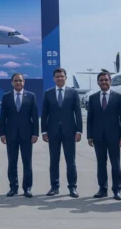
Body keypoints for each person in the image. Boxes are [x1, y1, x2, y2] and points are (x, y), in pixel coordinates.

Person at [41, 67, 82, 197]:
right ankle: (54, 186)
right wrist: (44, 131)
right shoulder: (48, 93)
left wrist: (79, 130)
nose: (59, 78)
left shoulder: (73, 93)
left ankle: (72, 187)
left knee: (71, 161)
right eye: (57, 76)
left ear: (65, 78)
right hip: (53, 132)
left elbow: (78, 113)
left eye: (62, 76)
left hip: (69, 131)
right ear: (54, 78)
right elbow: (44, 114)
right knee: (54, 160)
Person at [86, 71, 121, 200]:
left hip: (114, 136)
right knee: (100, 164)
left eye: (106, 80)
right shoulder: (93, 98)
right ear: (98, 82)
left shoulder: (118, 97)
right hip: (98, 137)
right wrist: (90, 136)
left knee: (115, 164)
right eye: (101, 80)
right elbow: (90, 118)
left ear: (110, 81)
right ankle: (102, 189)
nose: (104, 82)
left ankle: (117, 190)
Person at [0, 73, 39, 198]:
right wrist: (2, 134)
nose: (18, 83)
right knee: (12, 162)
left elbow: (35, 116)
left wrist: (35, 133)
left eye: (20, 81)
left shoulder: (31, 96)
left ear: (24, 82)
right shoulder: (6, 97)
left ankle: (27, 188)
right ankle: (13, 188)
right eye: (15, 81)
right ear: (12, 82)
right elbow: (3, 117)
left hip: (27, 135)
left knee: (27, 163)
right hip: (11, 135)